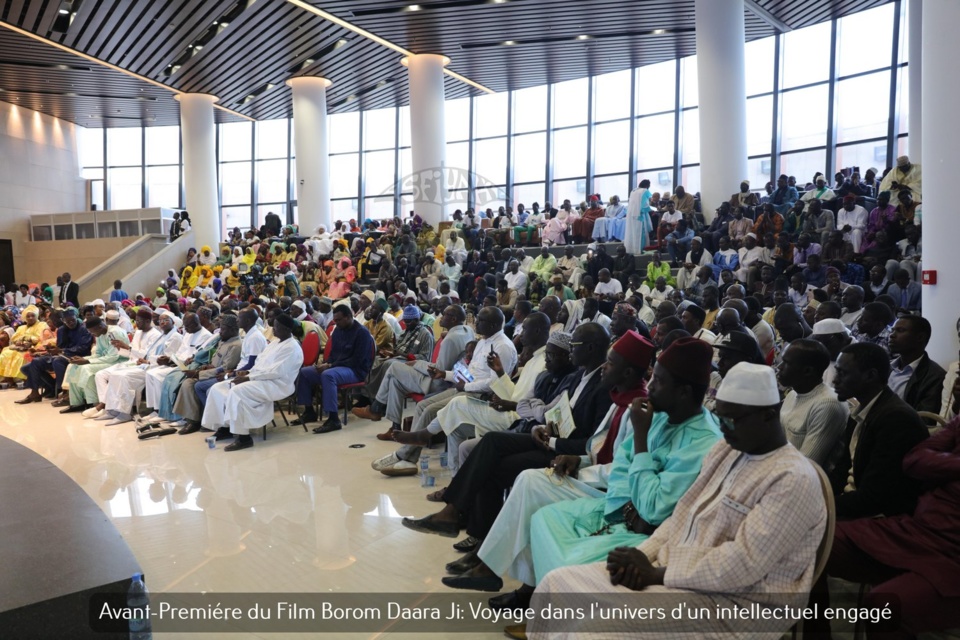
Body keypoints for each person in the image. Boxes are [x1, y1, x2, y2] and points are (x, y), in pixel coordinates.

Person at [528, 362, 826, 640]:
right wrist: (641, 559)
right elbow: (683, 514)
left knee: (595, 630)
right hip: (681, 577)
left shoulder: (792, 479)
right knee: (557, 585)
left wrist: (657, 573)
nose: (721, 428)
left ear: (768, 414)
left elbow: (742, 565)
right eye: (719, 417)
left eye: (731, 420)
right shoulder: (727, 450)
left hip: (736, 604)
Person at [808, 418, 960, 639]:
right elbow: (914, 460)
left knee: (885, 607)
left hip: (954, 558)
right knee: (812, 542)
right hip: (919, 531)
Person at [831, 342, 929, 519]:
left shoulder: (896, 419)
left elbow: (876, 497)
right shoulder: (862, 410)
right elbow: (843, 469)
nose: (834, 380)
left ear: (870, 376)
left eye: (842, 373)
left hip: (882, 516)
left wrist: (822, 508)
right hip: (853, 503)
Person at [201, 314, 303, 451]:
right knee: (217, 388)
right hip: (259, 378)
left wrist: (249, 378)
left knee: (237, 391)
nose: (273, 330)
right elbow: (260, 362)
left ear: (286, 329)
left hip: (277, 384)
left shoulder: (292, 347)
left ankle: (244, 438)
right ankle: (224, 428)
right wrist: (247, 373)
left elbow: (276, 372)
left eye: (277, 327)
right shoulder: (275, 342)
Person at [292, 304, 376, 434]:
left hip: (355, 371)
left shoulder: (362, 333)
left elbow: (356, 360)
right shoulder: (338, 330)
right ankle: (309, 411)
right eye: (335, 320)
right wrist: (326, 363)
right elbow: (333, 354)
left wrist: (330, 366)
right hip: (337, 367)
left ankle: (333, 419)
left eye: (338, 320)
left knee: (328, 375)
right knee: (304, 372)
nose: (336, 323)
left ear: (348, 317)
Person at [776, 339, 848, 471]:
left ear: (807, 371)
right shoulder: (793, 394)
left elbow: (807, 465)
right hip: (781, 468)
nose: (779, 367)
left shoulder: (827, 404)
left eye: (786, 363)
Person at [17, 307, 92, 404]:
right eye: (67, 321)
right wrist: (52, 350)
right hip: (61, 355)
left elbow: (83, 348)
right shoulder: (61, 330)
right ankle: (35, 393)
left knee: (58, 361)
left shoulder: (84, 328)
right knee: (34, 363)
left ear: (76, 317)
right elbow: (59, 347)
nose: (71, 323)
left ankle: (64, 392)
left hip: (78, 356)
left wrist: (61, 351)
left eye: (73, 320)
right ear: (63, 321)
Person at [60, 314, 130, 412]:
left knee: (86, 368)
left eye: (92, 332)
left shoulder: (114, 333)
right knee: (74, 365)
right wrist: (82, 359)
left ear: (100, 327)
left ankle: (93, 403)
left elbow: (113, 357)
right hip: (107, 360)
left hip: (119, 362)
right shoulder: (100, 333)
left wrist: (87, 361)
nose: (92, 334)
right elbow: (99, 354)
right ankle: (76, 403)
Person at [887, 315, 946, 414]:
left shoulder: (935, 376)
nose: (892, 335)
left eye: (900, 330)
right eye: (892, 330)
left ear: (920, 337)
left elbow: (924, 420)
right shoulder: (886, 367)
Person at [0, 305, 48, 383]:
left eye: (33, 316)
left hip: (35, 347)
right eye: (28, 316)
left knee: (21, 356)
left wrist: (27, 339)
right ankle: (8, 377)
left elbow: (39, 338)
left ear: (36, 316)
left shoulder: (42, 325)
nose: (30, 318)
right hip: (19, 347)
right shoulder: (21, 327)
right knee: (5, 353)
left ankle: (23, 379)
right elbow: (14, 338)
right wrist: (19, 342)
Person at [624, 179, 654, 254]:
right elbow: (645, 205)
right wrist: (652, 209)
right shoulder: (645, 191)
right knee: (640, 232)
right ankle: (641, 249)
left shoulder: (633, 191)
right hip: (639, 215)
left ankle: (631, 249)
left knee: (632, 232)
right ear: (647, 185)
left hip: (631, 215)